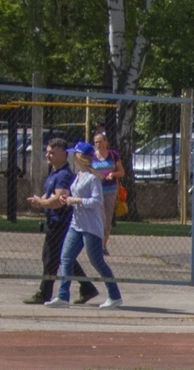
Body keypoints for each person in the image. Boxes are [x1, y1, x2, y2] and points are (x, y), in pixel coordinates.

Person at [24, 137, 96, 305]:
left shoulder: (63, 175)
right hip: (54, 221)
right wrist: (39, 200)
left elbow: (58, 200)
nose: (48, 155)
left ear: (63, 154)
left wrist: (42, 203)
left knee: (50, 258)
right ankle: (87, 288)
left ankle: (44, 293)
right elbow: (50, 196)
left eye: (52, 153)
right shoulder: (54, 173)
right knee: (64, 257)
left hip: (60, 223)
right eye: (47, 152)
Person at [48, 144, 121, 309]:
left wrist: (76, 200)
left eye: (75, 154)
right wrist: (67, 198)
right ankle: (63, 296)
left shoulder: (93, 178)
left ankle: (115, 296)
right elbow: (77, 196)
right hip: (77, 224)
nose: (72, 157)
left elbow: (97, 201)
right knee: (66, 258)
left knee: (97, 262)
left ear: (80, 157)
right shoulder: (78, 175)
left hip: (91, 227)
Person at [91, 129, 125, 249]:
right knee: (100, 217)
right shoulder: (91, 156)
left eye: (100, 141)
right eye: (96, 142)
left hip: (110, 190)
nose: (98, 144)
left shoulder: (112, 155)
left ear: (105, 142)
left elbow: (121, 172)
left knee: (108, 217)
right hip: (96, 190)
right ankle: (97, 244)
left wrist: (113, 174)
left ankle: (103, 245)